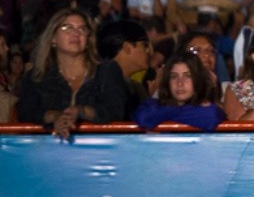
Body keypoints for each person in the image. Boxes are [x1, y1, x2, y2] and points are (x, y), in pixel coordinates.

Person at [17, 9, 128, 138]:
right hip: (49, 151)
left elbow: (115, 110)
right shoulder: (36, 76)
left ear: (88, 39)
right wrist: (55, 116)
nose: (76, 33)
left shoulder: (107, 70)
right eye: (67, 28)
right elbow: (26, 112)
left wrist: (80, 111)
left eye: (82, 29)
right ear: (53, 38)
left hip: (97, 151)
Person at [134, 51, 226, 132]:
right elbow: (143, 117)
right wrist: (176, 110)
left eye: (187, 76)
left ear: (198, 79)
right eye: (174, 76)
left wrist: (161, 115)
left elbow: (210, 117)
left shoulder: (211, 110)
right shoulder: (153, 104)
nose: (180, 83)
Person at [96, 20, 152, 119]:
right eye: (144, 45)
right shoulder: (97, 83)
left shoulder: (137, 88)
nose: (148, 51)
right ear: (127, 47)